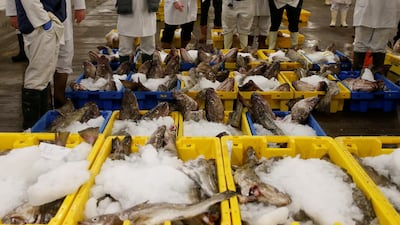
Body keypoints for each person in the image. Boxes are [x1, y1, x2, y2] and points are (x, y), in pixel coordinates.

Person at [6, 0, 66, 130]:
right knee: (37, 76)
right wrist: (44, 22)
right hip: (40, 27)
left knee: (44, 75)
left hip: (46, 23)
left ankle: (40, 125)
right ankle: (31, 128)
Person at [53, 0, 86, 108]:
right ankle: (44, 104)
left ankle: (59, 97)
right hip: (38, 18)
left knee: (65, 58)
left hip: (63, 17)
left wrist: (79, 6)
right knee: (41, 66)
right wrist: (13, 13)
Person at [352, 0, 400, 72]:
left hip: (387, 12)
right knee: (361, 45)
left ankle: (376, 76)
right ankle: (356, 73)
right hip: (365, 11)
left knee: (379, 46)